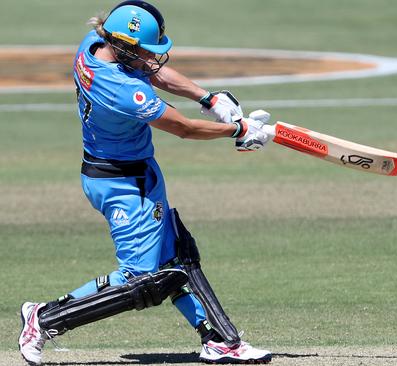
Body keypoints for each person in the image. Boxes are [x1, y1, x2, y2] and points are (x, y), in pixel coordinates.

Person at [18, 1, 272, 364]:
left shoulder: (94, 43)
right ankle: (42, 319)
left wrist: (209, 98)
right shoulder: (119, 88)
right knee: (142, 280)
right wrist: (237, 130)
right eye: (143, 52)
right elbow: (182, 128)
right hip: (121, 183)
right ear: (122, 47)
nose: (151, 59)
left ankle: (218, 339)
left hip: (134, 172)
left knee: (176, 256)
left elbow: (150, 72)